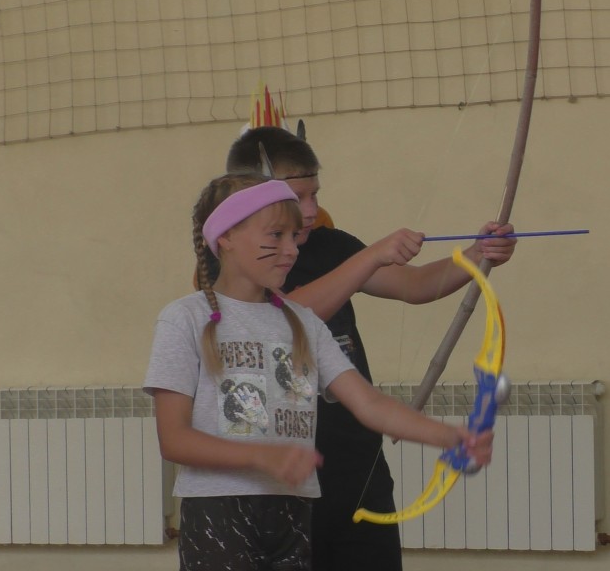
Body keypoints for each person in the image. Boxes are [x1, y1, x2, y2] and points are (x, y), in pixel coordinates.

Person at [143, 173, 494, 571]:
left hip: (293, 512)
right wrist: (261, 456)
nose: (291, 250)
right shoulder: (184, 319)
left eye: (294, 237)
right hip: (217, 511)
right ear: (225, 236)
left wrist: (450, 436)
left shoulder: (304, 322)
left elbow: (369, 404)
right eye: (276, 235)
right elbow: (174, 440)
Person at [226, 128, 516, 571]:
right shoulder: (234, 266)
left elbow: (414, 285)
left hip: (355, 464)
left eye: (314, 195)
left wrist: (478, 254)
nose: (311, 210)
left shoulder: (331, 245)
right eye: (296, 197)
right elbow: (283, 321)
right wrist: (371, 257)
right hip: (279, 476)